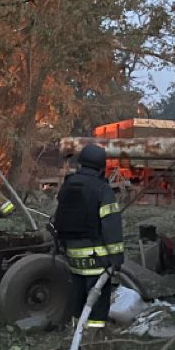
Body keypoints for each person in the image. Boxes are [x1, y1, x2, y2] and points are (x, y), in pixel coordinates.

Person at [53, 143, 124, 334]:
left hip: (73, 256)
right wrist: (116, 258)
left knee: (78, 297)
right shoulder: (102, 189)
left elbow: (59, 217)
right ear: (101, 167)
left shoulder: (68, 185)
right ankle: (93, 336)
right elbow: (111, 227)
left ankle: (76, 331)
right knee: (97, 301)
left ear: (81, 163)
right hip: (96, 259)